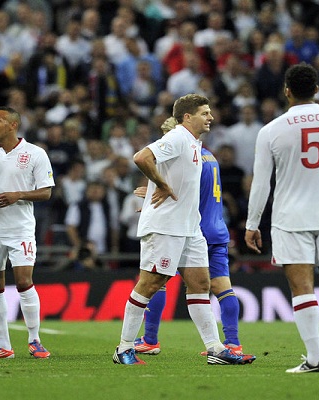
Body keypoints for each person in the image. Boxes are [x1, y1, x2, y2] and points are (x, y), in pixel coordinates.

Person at [113, 94, 255, 366]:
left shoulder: (194, 144)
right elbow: (142, 157)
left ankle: (216, 349)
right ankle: (124, 348)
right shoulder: (178, 137)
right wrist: (160, 185)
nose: (210, 117)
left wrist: (159, 185)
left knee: (201, 285)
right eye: (204, 112)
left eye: (210, 112)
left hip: (190, 228)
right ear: (187, 117)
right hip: (166, 228)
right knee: (150, 285)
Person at [244, 63, 319, 373]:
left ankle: (315, 359)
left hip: (291, 218)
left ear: (287, 91)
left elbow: (261, 183)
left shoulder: (272, 130)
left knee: (301, 286)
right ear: (316, 89)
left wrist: (252, 223)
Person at [133, 116, 243, 356]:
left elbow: (185, 194)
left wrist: (155, 201)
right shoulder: (209, 156)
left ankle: (150, 339)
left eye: (165, 134)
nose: (163, 140)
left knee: (157, 282)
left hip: (192, 228)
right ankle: (232, 343)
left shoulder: (188, 157)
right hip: (217, 228)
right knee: (222, 287)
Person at [0, 106, 54, 359]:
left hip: (19, 229)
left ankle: (35, 340)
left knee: (23, 282)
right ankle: (3, 345)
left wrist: (18, 195)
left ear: (13, 125)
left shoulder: (34, 154)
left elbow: (46, 191)